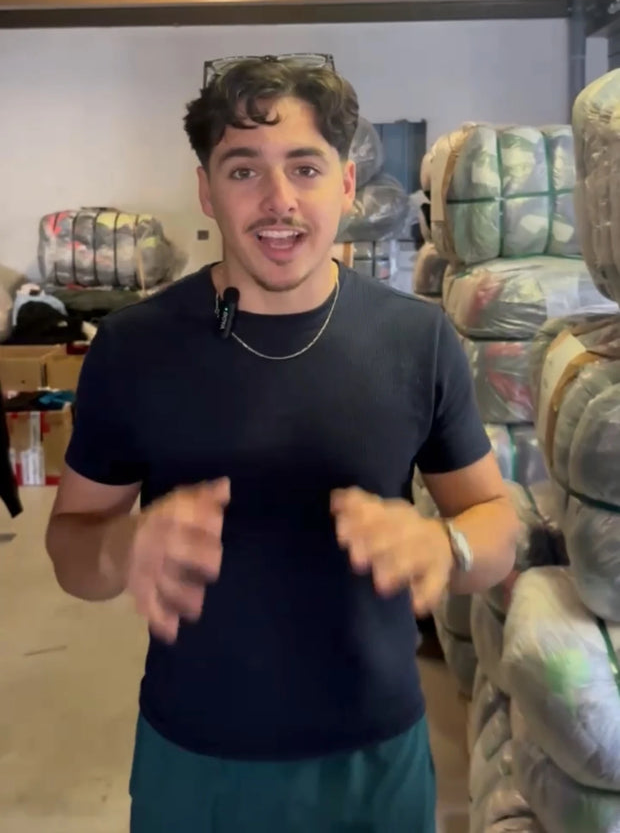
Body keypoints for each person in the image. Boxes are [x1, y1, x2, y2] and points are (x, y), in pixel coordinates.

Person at [46, 53, 519, 833]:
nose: (278, 199)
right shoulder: (133, 348)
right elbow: (70, 545)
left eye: (305, 167)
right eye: (243, 169)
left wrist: (448, 546)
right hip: (194, 762)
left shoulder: (418, 339)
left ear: (345, 184)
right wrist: (121, 547)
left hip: (376, 761)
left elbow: (497, 525)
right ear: (206, 189)